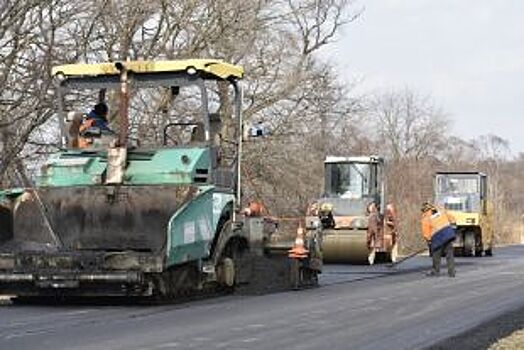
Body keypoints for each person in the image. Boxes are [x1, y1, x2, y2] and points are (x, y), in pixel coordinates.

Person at [421, 202, 457, 277]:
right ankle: (452, 272)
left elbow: (426, 233)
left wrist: (429, 241)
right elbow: (452, 219)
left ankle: (436, 271)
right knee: (449, 254)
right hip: (448, 233)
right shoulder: (441, 211)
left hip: (437, 237)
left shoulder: (425, 218)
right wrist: (453, 229)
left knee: (436, 254)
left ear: (424, 210)